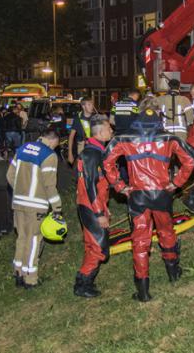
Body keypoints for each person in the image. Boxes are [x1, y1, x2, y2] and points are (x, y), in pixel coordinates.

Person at [102, 109, 194, 302]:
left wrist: (120, 186)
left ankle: (143, 291)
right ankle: (173, 273)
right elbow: (190, 160)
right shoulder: (169, 139)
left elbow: (106, 161)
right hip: (162, 195)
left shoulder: (124, 139)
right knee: (167, 233)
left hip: (138, 196)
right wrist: (176, 183)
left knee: (140, 241)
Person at [7, 129, 63, 289]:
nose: (55, 148)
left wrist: (20, 190)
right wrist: (57, 207)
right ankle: (30, 279)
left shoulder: (22, 148)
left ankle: (18, 272)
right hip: (36, 205)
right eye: (56, 145)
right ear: (52, 140)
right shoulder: (49, 155)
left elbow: (10, 175)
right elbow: (49, 185)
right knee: (34, 240)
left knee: (21, 237)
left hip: (18, 202)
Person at [73, 116, 114, 298]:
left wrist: (104, 206)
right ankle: (82, 284)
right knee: (98, 248)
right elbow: (90, 185)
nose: (111, 131)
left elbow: (98, 185)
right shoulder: (92, 154)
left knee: (94, 245)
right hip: (90, 207)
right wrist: (99, 213)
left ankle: (84, 281)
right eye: (109, 128)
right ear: (100, 132)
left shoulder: (95, 151)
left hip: (92, 204)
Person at [67, 97, 96, 165]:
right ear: (83, 106)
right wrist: (70, 153)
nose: (92, 106)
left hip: (95, 148)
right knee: (82, 169)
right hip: (82, 149)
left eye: (92, 104)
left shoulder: (96, 117)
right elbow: (71, 137)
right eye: (89, 104)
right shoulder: (77, 119)